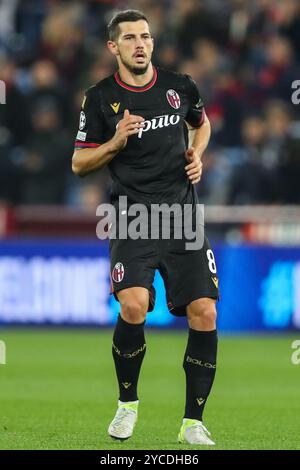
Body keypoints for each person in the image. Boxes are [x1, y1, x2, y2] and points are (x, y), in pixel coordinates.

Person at [72, 10, 219, 446]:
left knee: (205, 312)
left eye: (146, 37)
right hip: (132, 217)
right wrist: (115, 142)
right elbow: (79, 163)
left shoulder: (180, 87)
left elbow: (203, 124)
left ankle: (193, 422)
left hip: (183, 216)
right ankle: (127, 405)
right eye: (131, 38)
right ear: (113, 47)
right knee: (134, 306)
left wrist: (197, 153)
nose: (141, 44)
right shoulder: (99, 98)